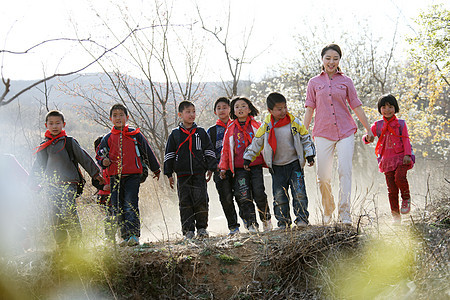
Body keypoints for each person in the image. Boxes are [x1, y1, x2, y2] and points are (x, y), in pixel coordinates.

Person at [303, 44, 374, 225]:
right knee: (323, 176)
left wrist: (368, 128)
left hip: (345, 131)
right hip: (322, 132)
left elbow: (356, 105)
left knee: (345, 171)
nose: (331, 62)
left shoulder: (346, 81)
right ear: (322, 59)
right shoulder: (314, 83)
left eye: (335, 58)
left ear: (339, 60)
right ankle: (328, 207)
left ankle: (345, 213)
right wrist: (303, 134)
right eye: (328, 58)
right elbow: (310, 108)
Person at [30, 110, 105, 247]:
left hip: (69, 183)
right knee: (55, 215)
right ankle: (62, 244)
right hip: (51, 186)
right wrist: (31, 183)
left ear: (63, 124)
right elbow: (38, 166)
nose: (54, 126)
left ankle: (76, 240)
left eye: (57, 123)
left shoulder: (69, 142)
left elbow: (84, 158)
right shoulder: (43, 146)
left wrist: (96, 174)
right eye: (51, 123)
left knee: (68, 210)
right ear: (46, 125)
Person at [243, 92, 316, 230]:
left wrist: (310, 154)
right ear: (270, 111)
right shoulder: (266, 126)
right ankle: (283, 223)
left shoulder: (294, 122)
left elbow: (305, 138)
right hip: (277, 167)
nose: (283, 111)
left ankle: (302, 220)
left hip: (294, 164)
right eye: (279, 109)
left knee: (299, 193)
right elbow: (257, 142)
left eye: (285, 107)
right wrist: (248, 157)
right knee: (279, 196)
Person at [97, 104, 160, 246]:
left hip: (133, 176)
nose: (118, 118)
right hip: (115, 177)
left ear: (127, 117)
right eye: (115, 115)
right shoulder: (107, 138)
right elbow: (99, 155)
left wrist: (156, 169)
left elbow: (147, 151)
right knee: (118, 207)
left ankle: (134, 235)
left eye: (121, 115)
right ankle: (124, 237)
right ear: (110, 118)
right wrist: (103, 161)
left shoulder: (135, 134)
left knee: (130, 204)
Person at [164, 101, 217, 239]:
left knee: (201, 201)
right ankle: (188, 231)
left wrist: (211, 168)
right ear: (180, 115)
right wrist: (169, 173)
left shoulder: (201, 132)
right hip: (182, 175)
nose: (191, 114)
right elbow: (169, 154)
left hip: (199, 174)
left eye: (193, 111)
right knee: (185, 203)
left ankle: (202, 229)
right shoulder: (175, 134)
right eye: (188, 112)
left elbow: (209, 150)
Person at [219, 96, 272, 232]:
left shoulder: (256, 125)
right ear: (233, 111)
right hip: (239, 168)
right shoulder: (230, 128)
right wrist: (223, 167)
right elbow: (225, 149)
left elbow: (266, 143)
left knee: (259, 193)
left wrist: (271, 161)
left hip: (255, 166)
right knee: (243, 195)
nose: (240, 109)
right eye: (237, 107)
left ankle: (266, 219)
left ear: (249, 109)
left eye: (243, 106)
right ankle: (251, 224)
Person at [363, 94, 413, 224]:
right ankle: (395, 216)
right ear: (380, 109)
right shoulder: (378, 125)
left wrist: (407, 155)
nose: (387, 110)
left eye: (390, 107)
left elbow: (406, 139)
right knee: (391, 189)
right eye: (384, 107)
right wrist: (367, 138)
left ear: (395, 108)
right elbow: (368, 135)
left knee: (399, 178)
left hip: (401, 158)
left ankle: (406, 199)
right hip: (387, 160)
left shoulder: (401, 123)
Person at [207, 97, 242, 236]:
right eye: (219, 108)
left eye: (225, 107)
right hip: (219, 169)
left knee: (241, 194)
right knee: (226, 198)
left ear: (230, 109)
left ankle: (249, 221)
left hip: (237, 167)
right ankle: (233, 226)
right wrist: (211, 167)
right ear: (215, 112)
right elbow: (208, 152)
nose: (222, 110)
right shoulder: (212, 131)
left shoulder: (237, 126)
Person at [93, 135, 113, 241]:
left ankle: (120, 237)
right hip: (103, 195)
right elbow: (94, 180)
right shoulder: (97, 165)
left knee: (117, 216)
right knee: (109, 217)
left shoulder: (115, 162)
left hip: (115, 193)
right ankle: (110, 238)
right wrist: (103, 186)